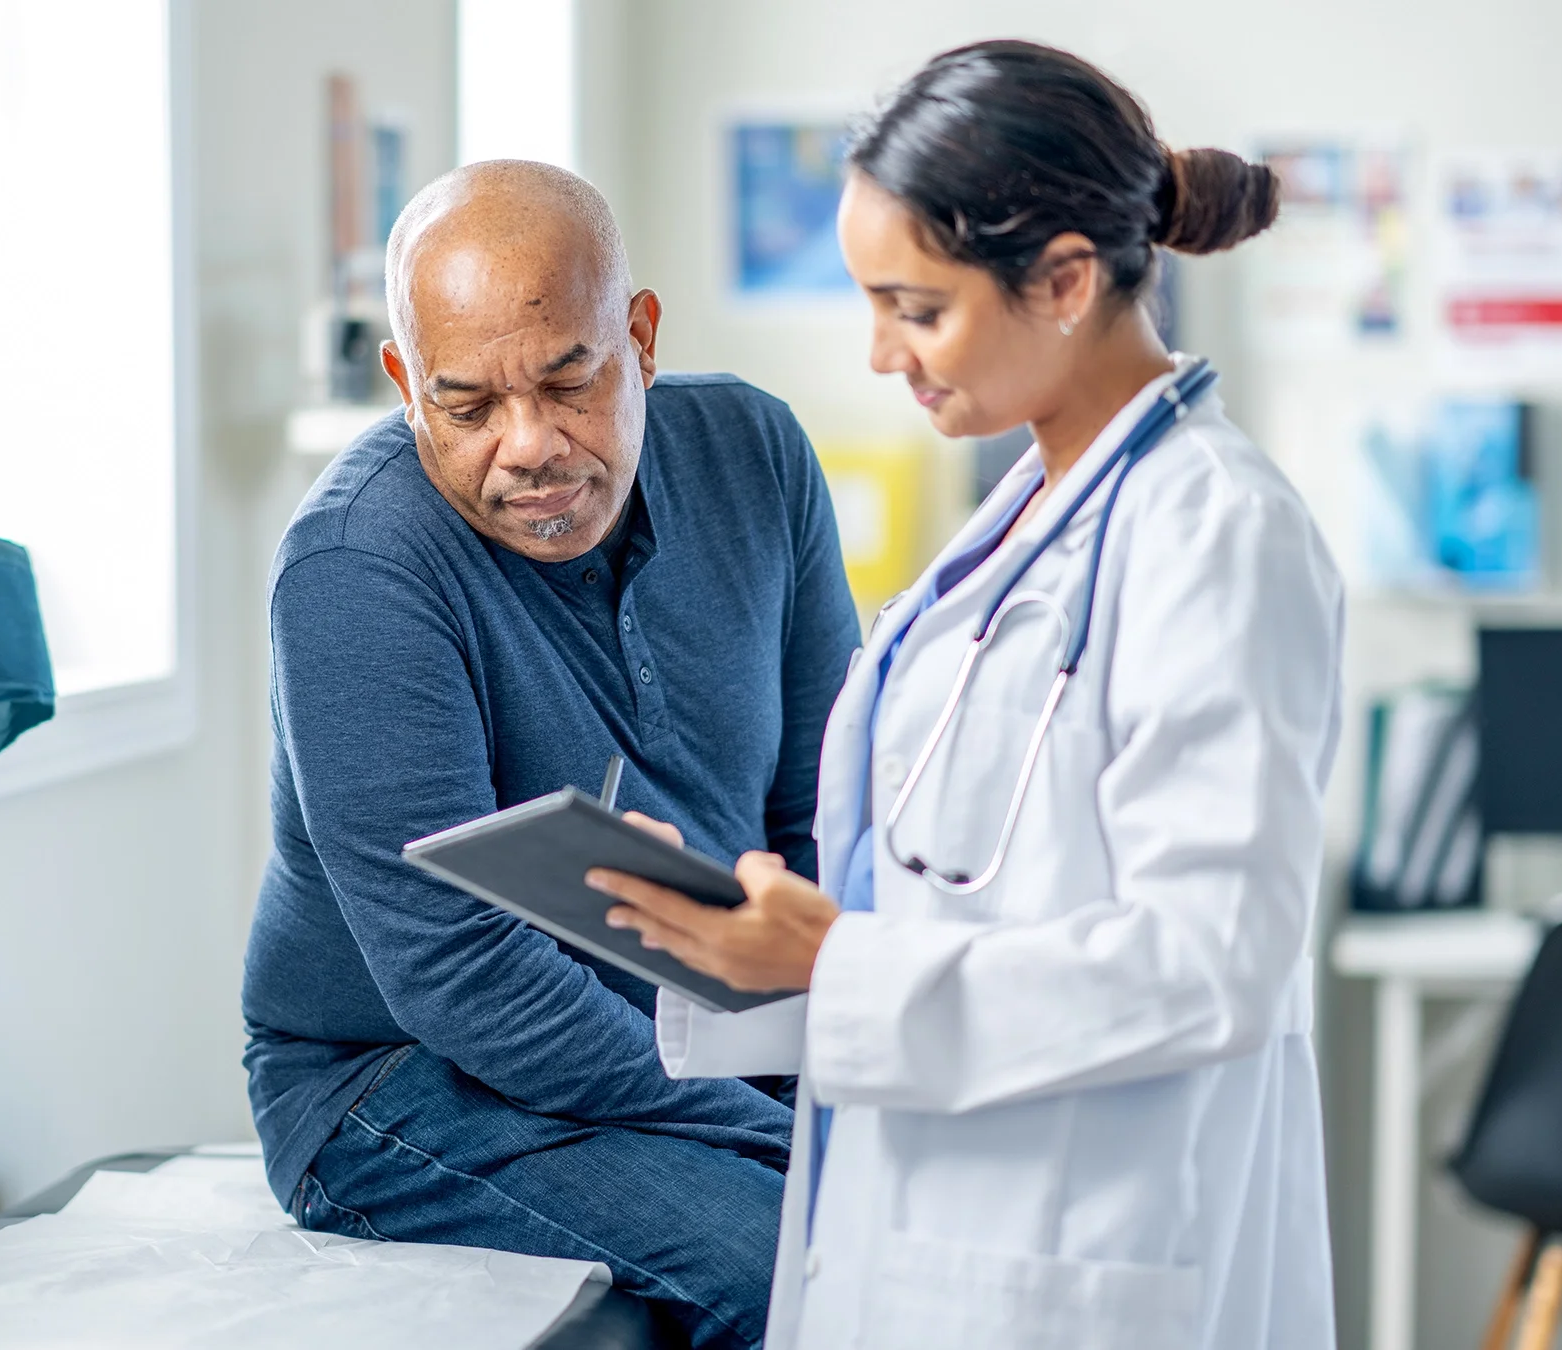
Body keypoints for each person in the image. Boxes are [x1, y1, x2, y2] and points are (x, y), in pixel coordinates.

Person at [588, 41, 1343, 1350]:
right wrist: (738, 942)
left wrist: (839, 962)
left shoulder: (1216, 531)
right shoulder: (1022, 522)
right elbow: (945, 900)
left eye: (916, 308)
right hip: (933, 1227)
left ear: (1061, 278)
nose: (882, 352)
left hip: (1092, 1256)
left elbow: (1212, 959)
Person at [240, 160, 859, 1350]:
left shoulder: (757, 456)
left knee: (927, 1231)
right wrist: (762, 1128)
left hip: (704, 1037)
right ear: (405, 385)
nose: (528, 447)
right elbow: (457, 969)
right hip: (398, 1081)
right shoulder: (358, 570)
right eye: (466, 407)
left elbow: (824, 816)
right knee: (812, 1275)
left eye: (571, 382)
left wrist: (833, 1067)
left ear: (640, 335)